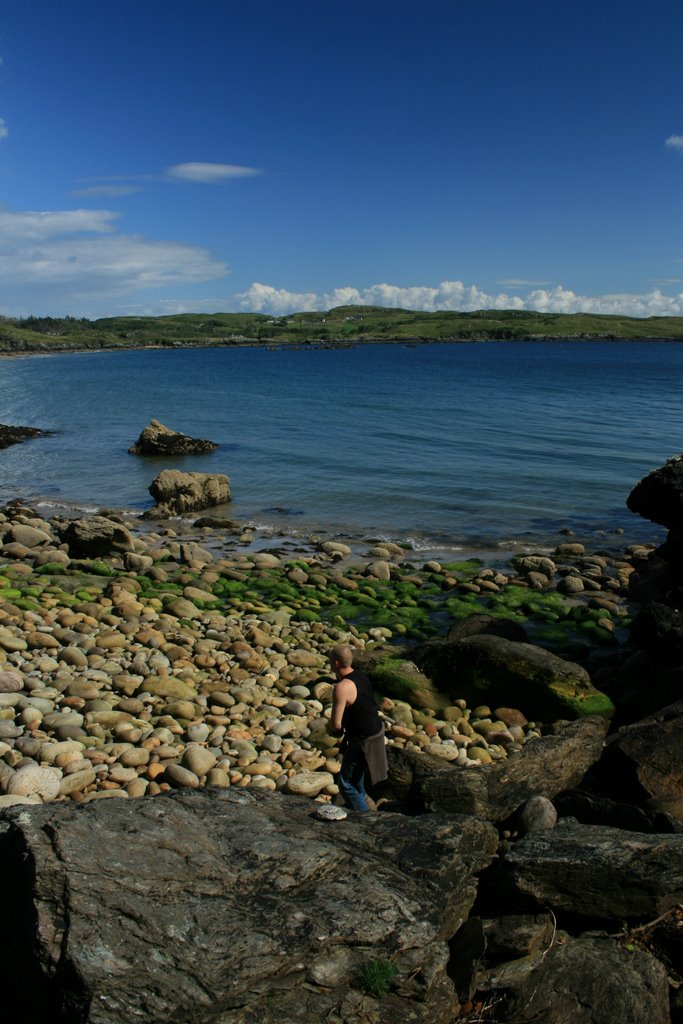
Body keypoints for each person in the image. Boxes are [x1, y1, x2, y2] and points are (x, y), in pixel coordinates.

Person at [328, 643, 388, 812]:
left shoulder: (342, 687)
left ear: (336, 663)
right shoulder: (361, 675)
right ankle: (371, 810)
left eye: (331, 660)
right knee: (356, 781)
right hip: (376, 731)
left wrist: (330, 728)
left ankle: (364, 820)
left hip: (362, 739)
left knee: (346, 785)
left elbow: (336, 725)